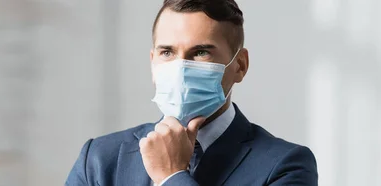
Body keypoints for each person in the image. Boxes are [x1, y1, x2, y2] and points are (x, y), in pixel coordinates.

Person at [66, 0, 318, 185]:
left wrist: (172, 177)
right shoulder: (100, 159)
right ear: (153, 63)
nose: (180, 68)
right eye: (167, 52)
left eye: (200, 52)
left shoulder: (286, 165)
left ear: (239, 66)